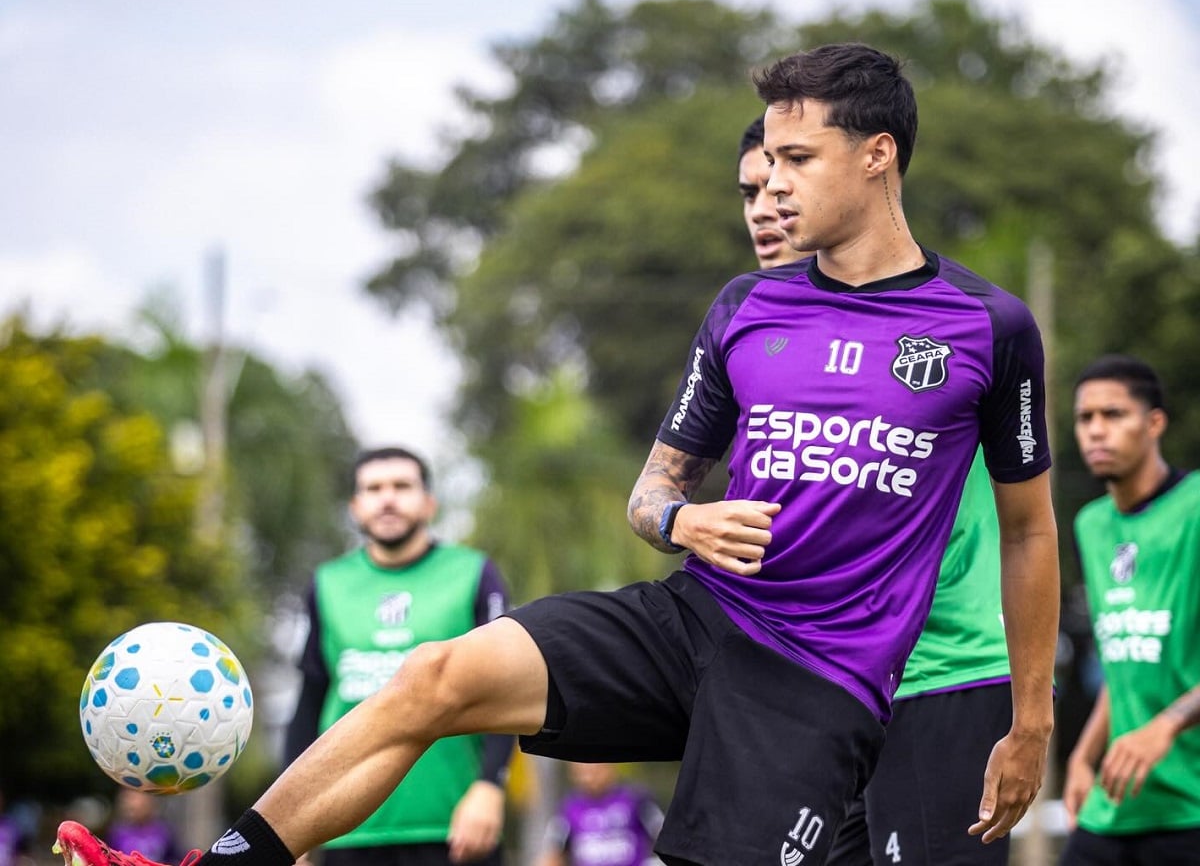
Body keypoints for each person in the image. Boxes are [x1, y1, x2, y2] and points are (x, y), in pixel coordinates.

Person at [53, 42, 1059, 866]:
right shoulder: (747, 308)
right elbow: (652, 493)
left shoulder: (986, 326)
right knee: (429, 678)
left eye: (798, 160)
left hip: (816, 680)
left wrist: (1030, 720)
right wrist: (684, 520)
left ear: (878, 155)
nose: (772, 184)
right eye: (767, 166)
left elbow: (1026, 531)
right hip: (692, 618)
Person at [736, 115, 1016, 865]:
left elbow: (1025, 526)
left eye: (785, 176)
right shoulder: (756, 338)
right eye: (751, 189)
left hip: (937, 674)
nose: (766, 204)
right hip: (820, 688)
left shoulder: (945, 321)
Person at [284, 446, 515, 866]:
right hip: (345, 830)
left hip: (454, 827)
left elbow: (505, 692)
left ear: (429, 502)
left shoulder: (473, 573)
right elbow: (309, 702)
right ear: (356, 506)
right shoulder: (327, 584)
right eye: (373, 488)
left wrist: (490, 786)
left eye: (401, 486)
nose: (387, 498)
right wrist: (288, 827)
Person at [1059, 355, 1200, 864]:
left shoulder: (1195, 507)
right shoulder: (1090, 525)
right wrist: (1082, 756)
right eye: (1085, 417)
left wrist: (1166, 725)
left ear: (1155, 423)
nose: (1096, 430)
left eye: (1113, 414)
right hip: (1114, 804)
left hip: (1189, 806)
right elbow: (1126, 662)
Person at [534, 763, 663, 866]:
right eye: (583, 773)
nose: (589, 778)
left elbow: (663, 834)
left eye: (595, 771)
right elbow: (552, 852)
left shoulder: (636, 799)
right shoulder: (568, 809)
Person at [106, 790, 183, 865]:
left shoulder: (163, 831)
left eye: (135, 802)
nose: (129, 806)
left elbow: (175, 858)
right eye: (127, 803)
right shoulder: (118, 835)